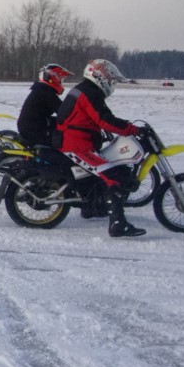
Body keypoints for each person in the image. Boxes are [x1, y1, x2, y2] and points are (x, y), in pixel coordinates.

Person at [55, 58, 145, 238]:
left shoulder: (89, 91)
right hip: (76, 145)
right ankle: (118, 225)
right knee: (112, 177)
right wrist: (132, 129)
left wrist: (126, 126)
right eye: (110, 78)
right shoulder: (88, 93)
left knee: (109, 171)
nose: (111, 82)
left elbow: (105, 116)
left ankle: (90, 208)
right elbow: (104, 120)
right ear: (99, 76)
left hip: (79, 142)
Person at [16, 63, 73, 148]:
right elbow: (62, 111)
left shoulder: (43, 89)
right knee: (60, 141)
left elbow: (61, 108)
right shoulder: (46, 92)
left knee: (58, 124)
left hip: (32, 124)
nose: (61, 81)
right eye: (60, 78)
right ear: (52, 77)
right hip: (32, 128)